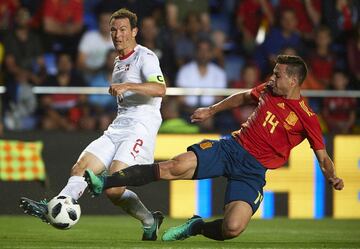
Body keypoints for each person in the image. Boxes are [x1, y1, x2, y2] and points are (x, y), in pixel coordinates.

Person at [84, 55, 344, 241]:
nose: (272, 78)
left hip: (253, 171)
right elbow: (243, 97)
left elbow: (322, 156)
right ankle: (103, 182)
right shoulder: (268, 90)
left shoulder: (307, 117)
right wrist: (211, 110)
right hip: (231, 148)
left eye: (278, 74)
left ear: (294, 80)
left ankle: (195, 227)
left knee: (232, 228)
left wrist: (332, 176)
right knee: (174, 166)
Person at [20, 8, 167, 241]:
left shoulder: (145, 57)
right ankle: (55, 207)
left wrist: (128, 86)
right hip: (119, 127)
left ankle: (150, 219)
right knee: (80, 168)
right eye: (113, 30)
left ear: (134, 31)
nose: (117, 35)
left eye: (123, 30)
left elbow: (160, 89)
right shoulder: (119, 63)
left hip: (141, 126)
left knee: (114, 189)